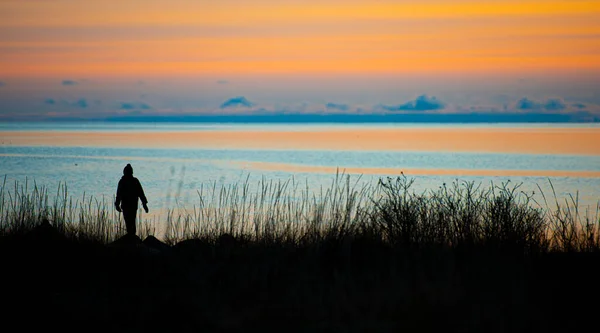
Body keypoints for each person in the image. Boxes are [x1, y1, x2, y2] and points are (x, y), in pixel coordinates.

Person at [115, 163, 148, 236]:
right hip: (128, 206)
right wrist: (117, 204)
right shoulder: (126, 181)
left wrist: (144, 204)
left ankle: (132, 237)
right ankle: (131, 236)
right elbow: (119, 194)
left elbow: (141, 193)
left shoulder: (131, 181)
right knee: (130, 222)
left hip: (130, 206)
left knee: (130, 222)